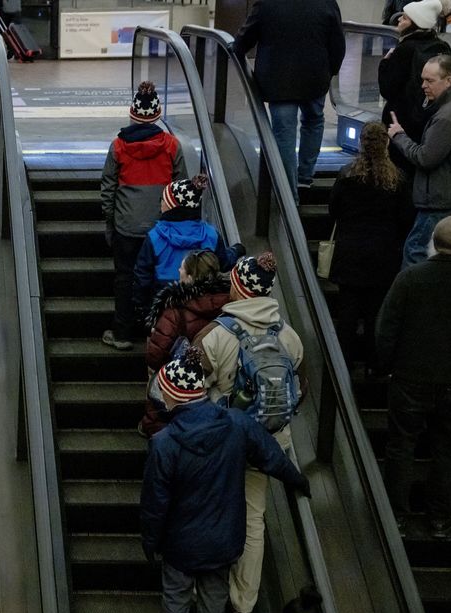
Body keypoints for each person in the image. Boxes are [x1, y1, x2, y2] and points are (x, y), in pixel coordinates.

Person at [142, 347, 311, 613]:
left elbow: (154, 504)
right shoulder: (236, 423)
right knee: (214, 598)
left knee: (176, 599)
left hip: (181, 541)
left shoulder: (164, 444)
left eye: (164, 390)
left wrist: (151, 542)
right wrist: (298, 480)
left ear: (176, 397)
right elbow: (271, 457)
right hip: (223, 536)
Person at [194, 253, 305, 613]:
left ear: (238, 287)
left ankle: (201, 595)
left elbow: (190, 386)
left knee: (207, 511)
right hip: (266, 445)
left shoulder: (217, 334)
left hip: (220, 445)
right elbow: (295, 390)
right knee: (253, 519)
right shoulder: (288, 336)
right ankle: (244, 606)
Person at [376, 216, 451, 538]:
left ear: (433, 243)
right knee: (448, 449)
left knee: (401, 445)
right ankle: (440, 519)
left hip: (409, 378)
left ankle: (396, 516)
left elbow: (387, 330)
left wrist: (385, 366)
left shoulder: (409, 279)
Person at [99, 80, 188, 351]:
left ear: (133, 114)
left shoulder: (118, 147)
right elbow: (180, 187)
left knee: (125, 277)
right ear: (157, 115)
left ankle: (123, 333)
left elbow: (108, 188)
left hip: (127, 226)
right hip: (161, 228)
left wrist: (110, 220)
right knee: (159, 277)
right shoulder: (172, 146)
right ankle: (156, 333)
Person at [233, 0, 345, 198]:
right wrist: (330, 71)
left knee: (284, 132)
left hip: (278, 80)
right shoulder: (326, 2)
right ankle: (305, 177)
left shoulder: (266, 3)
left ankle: (288, 194)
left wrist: (236, 49)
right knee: (313, 120)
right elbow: (337, 42)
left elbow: (245, 38)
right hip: (315, 76)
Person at [327, 122, 413, 373]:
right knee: (376, 312)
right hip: (383, 255)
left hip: (350, 253)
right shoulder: (397, 179)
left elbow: (334, 210)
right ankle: (374, 364)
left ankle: (344, 363)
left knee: (348, 314)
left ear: (361, 143)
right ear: (386, 144)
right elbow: (406, 218)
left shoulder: (347, 175)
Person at [139, 250, 231, 437]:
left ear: (190, 277)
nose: (178, 269)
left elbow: (155, 356)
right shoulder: (229, 305)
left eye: (182, 268)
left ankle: (152, 429)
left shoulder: (175, 311)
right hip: (213, 387)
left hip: (177, 390)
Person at [131, 175, 242, 324]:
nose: (161, 204)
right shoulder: (211, 234)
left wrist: (141, 306)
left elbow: (142, 275)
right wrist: (237, 250)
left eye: (163, 200)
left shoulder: (155, 237)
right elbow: (223, 262)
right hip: (203, 302)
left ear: (171, 206)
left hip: (164, 300)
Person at [388, 53, 451, 268]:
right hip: (442, 197)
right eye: (423, 79)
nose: (423, 85)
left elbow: (426, 157)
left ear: (449, 81)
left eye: (430, 81)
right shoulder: (444, 110)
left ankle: (413, 300)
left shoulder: (446, 117)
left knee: (414, 252)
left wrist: (399, 136)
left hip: (438, 200)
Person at [379, 0, 451, 148]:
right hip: (431, 119)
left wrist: (384, 64)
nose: (399, 19)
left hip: (401, 122)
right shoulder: (443, 47)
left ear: (416, 23)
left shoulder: (405, 49)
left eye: (405, 18)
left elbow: (387, 89)